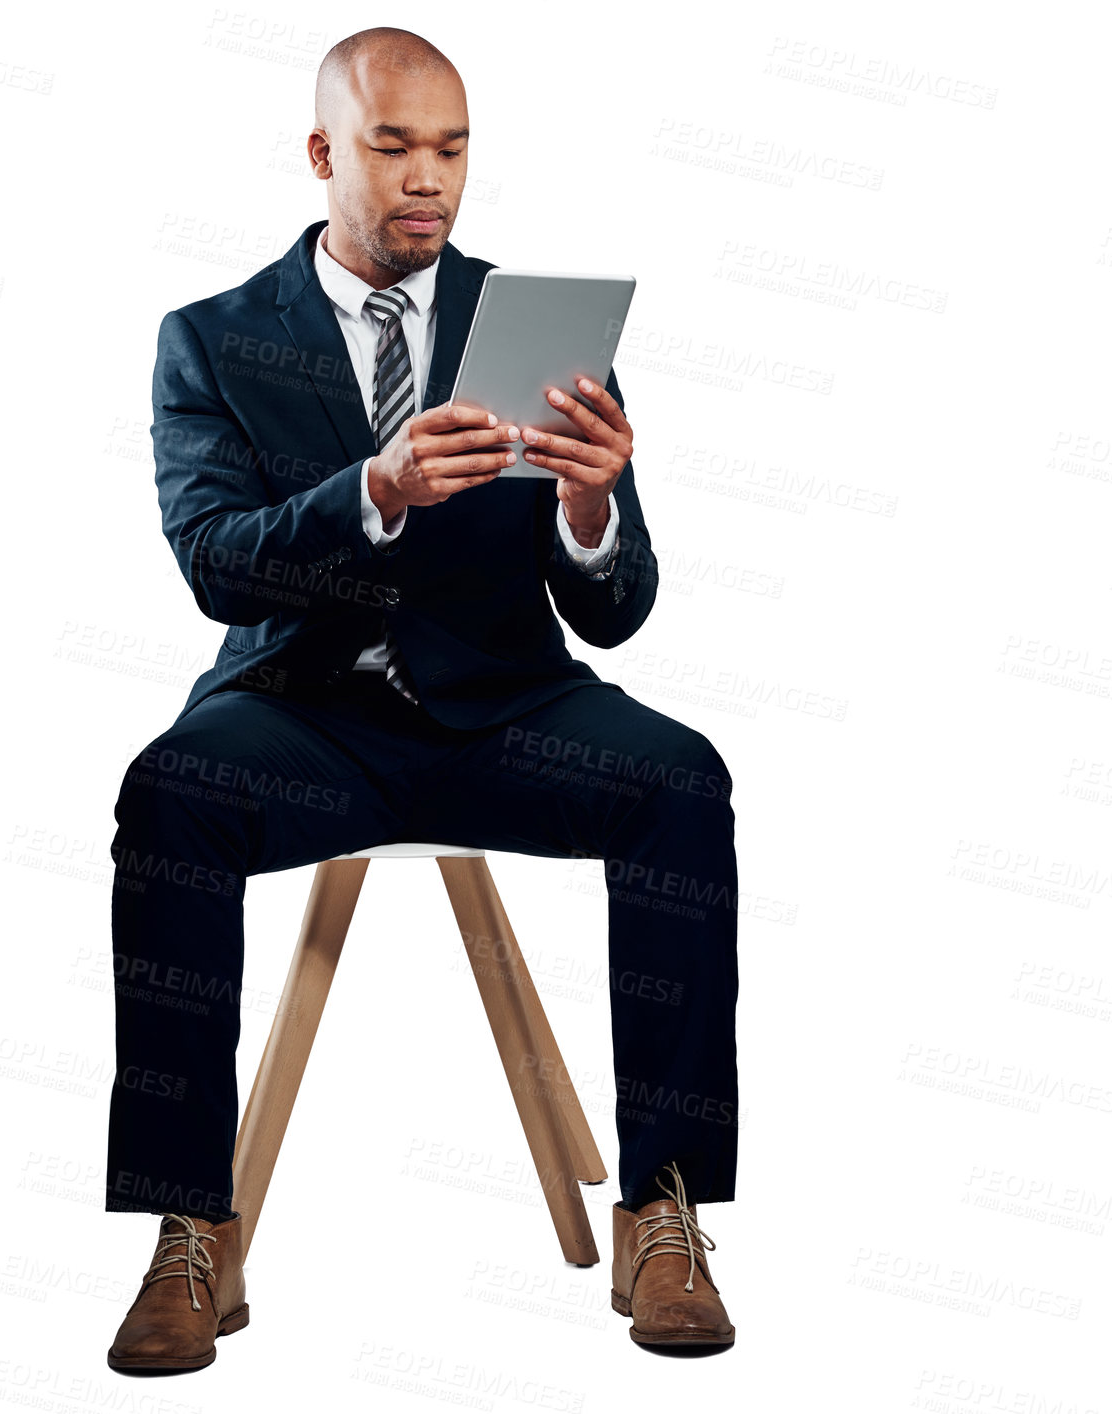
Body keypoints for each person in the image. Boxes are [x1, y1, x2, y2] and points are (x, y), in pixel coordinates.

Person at [105, 26, 739, 1371]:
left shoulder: (539, 328)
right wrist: (373, 491)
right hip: (302, 715)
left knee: (682, 776)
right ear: (327, 152)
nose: (425, 181)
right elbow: (215, 568)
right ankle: (187, 1226)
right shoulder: (213, 340)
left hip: (506, 713)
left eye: (449, 149)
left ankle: (660, 1208)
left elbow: (613, 610)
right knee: (168, 792)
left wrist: (587, 504)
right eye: (391, 148)